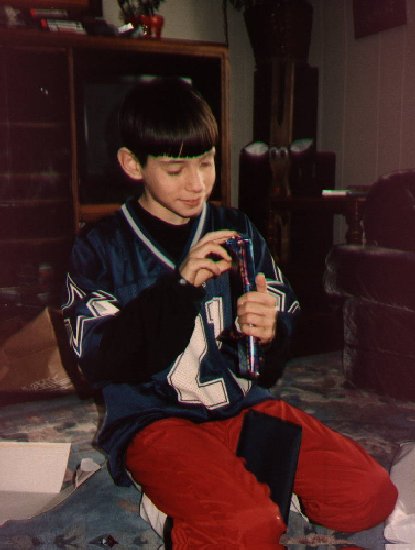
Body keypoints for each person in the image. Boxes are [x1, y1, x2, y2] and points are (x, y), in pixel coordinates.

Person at [62, 77, 397, 548]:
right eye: (175, 170)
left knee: (370, 496)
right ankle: (171, 505)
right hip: (155, 420)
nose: (197, 184)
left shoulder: (236, 229)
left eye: (206, 162)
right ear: (133, 164)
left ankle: (242, 485)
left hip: (241, 408)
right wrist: (179, 289)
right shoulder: (98, 247)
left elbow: (276, 345)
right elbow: (100, 362)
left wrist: (270, 330)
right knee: (248, 530)